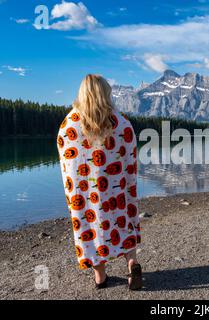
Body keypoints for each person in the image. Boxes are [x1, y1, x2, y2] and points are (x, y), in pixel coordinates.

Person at [57, 74, 142, 290]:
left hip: (86, 194)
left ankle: (101, 277)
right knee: (123, 221)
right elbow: (131, 157)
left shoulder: (69, 124)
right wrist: (127, 184)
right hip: (117, 190)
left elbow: (67, 164)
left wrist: (74, 191)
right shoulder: (121, 122)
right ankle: (131, 262)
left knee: (89, 226)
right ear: (106, 94)